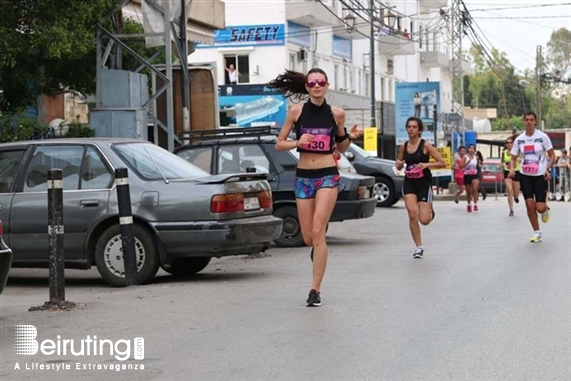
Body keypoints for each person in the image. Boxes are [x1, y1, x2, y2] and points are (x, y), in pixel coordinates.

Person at [268, 68, 362, 307]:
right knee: (309, 237)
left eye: (321, 82)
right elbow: (279, 144)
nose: (317, 86)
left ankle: (315, 290)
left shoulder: (336, 114)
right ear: (307, 87)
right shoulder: (296, 112)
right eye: (312, 82)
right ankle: (317, 246)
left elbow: (340, 148)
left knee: (319, 232)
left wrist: (351, 136)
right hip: (303, 178)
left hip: (327, 176)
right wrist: (297, 142)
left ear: (327, 85)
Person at [395, 116, 445, 259]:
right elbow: (399, 163)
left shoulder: (426, 146)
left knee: (424, 220)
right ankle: (418, 247)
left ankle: (430, 211)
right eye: (409, 127)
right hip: (409, 182)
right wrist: (398, 164)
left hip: (424, 183)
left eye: (414, 127)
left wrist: (426, 165)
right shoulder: (403, 146)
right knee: (412, 214)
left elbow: (442, 162)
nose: (411, 129)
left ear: (419, 130)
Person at [509, 111, 555, 243]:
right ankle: (537, 232)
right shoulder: (519, 140)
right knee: (529, 205)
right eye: (526, 120)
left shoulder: (543, 137)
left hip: (540, 174)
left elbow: (552, 155)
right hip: (525, 175)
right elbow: (513, 158)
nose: (529, 122)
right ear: (524, 122)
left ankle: (545, 209)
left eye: (531, 120)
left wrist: (548, 169)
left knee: (539, 208)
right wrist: (512, 169)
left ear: (535, 122)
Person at [502, 136, 521, 216]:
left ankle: (516, 197)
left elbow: (521, 159)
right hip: (507, 172)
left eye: (510, 142)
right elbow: (502, 160)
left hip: (516, 171)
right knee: (509, 190)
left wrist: (519, 159)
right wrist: (502, 164)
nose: (509, 144)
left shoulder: (517, 152)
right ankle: (511, 209)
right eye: (507, 143)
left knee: (516, 192)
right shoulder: (504, 152)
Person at [461, 144, 480, 212]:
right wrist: (467, 163)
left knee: (474, 188)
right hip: (467, 174)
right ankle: (469, 204)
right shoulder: (465, 157)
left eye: (473, 148)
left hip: (475, 174)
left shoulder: (476, 157)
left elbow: (478, 165)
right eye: (470, 148)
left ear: (474, 150)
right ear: (468, 149)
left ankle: (475, 204)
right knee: (468, 191)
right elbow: (461, 166)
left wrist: (479, 165)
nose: (471, 149)